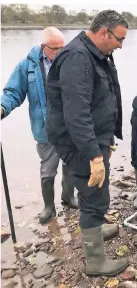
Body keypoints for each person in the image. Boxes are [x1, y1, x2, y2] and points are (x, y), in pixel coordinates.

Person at [46, 10, 129, 276]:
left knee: (95, 189)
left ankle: (94, 228)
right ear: (104, 32)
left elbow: (104, 97)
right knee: (94, 194)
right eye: (119, 38)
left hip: (95, 138)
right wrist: (94, 156)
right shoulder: (77, 58)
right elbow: (76, 113)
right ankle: (95, 262)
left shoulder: (99, 54)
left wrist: (108, 138)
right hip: (80, 143)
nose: (121, 45)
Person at [0, 27, 78, 224]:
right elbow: (13, 92)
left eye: (63, 47)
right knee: (48, 170)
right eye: (55, 49)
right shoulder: (26, 66)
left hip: (69, 127)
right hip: (45, 130)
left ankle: (68, 197)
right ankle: (48, 207)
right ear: (44, 47)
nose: (60, 52)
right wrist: (2, 108)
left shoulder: (70, 62)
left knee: (71, 165)